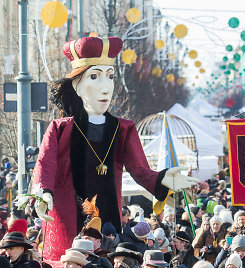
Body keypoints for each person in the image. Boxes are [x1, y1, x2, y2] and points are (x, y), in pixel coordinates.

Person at [32, 36, 199, 266]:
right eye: (94, 76)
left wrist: (163, 178)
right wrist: (43, 193)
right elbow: (45, 165)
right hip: (67, 217)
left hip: (109, 219)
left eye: (110, 77)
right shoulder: (60, 129)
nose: (105, 86)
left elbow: (140, 170)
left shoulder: (124, 128)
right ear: (77, 86)